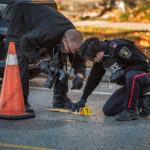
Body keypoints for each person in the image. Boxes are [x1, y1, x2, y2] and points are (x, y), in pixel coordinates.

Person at [4, 2, 86, 113]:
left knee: (61, 56)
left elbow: (77, 57)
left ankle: (60, 99)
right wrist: (40, 61)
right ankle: (22, 100)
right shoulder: (48, 32)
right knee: (20, 55)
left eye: (73, 50)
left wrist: (80, 75)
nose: (71, 52)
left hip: (41, 22)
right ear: (64, 40)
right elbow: (25, 42)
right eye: (70, 49)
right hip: (19, 15)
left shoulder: (72, 35)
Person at [72, 37, 150, 121]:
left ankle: (131, 111)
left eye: (91, 59)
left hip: (145, 77)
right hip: (133, 86)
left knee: (131, 75)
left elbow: (144, 64)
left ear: (98, 54)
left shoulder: (119, 48)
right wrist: (83, 99)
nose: (91, 61)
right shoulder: (101, 59)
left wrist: (122, 72)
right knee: (108, 110)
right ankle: (145, 102)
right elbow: (93, 79)